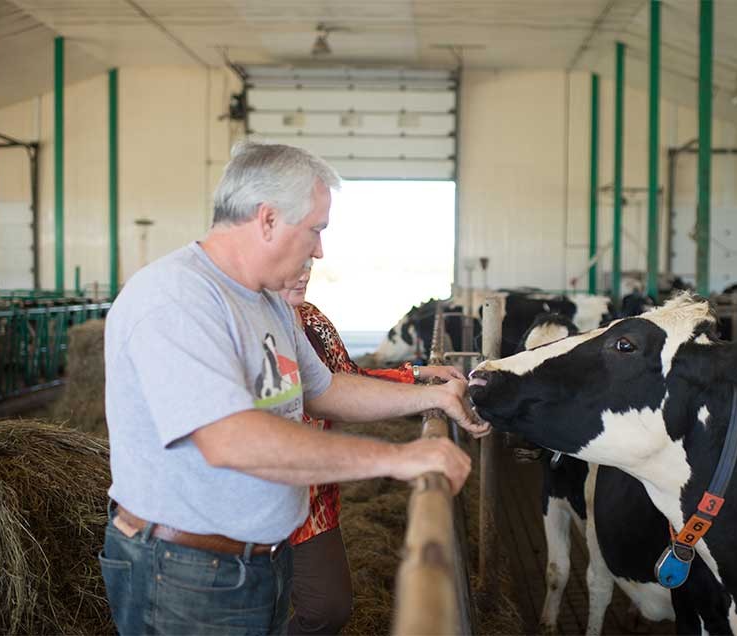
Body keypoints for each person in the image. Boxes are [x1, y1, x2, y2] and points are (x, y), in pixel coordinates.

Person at [99, 141, 489, 636]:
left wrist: (430, 397)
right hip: (185, 571)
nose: (320, 249)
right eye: (316, 230)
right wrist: (398, 459)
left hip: (263, 557)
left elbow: (324, 390)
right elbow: (230, 439)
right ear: (266, 220)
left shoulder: (271, 303)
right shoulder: (178, 298)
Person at [279, 263, 464, 635]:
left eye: (309, 263)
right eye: (295, 259)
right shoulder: (234, 323)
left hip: (312, 499)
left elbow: (343, 382)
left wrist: (419, 377)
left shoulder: (311, 320)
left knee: (329, 607)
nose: (306, 270)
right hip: (246, 497)